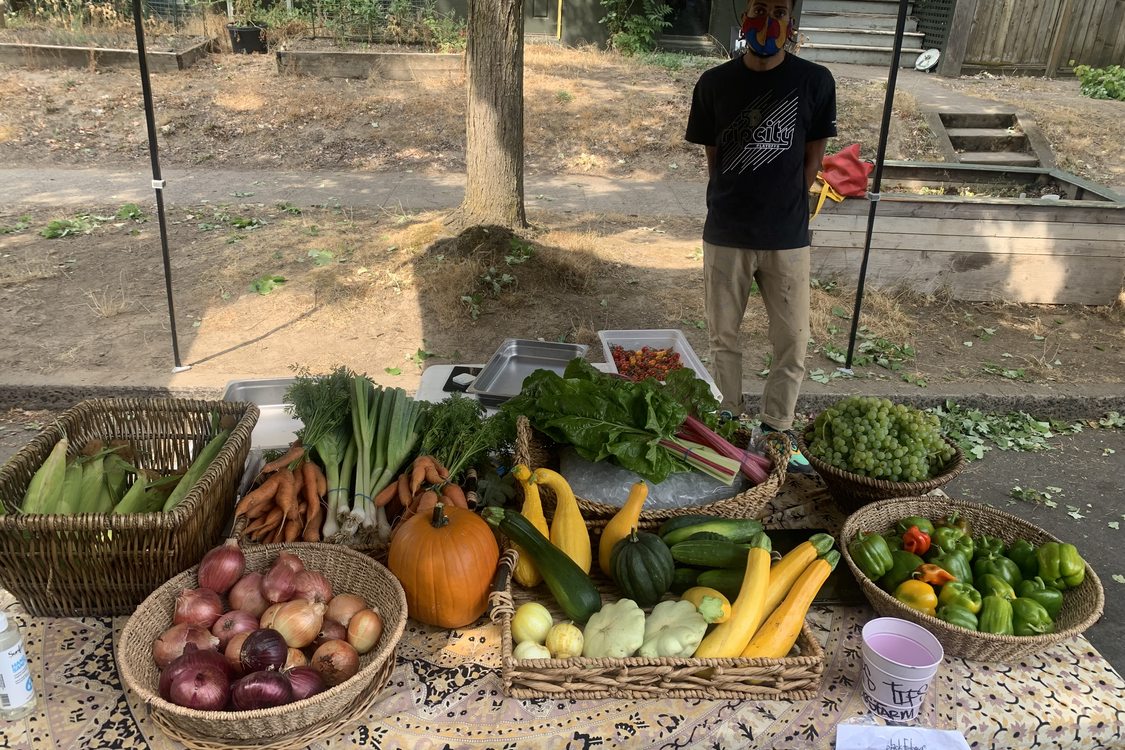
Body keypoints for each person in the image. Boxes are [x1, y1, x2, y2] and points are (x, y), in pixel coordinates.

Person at [685, 0, 837, 472]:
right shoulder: (714, 84)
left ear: (791, 23)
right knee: (723, 337)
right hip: (727, 232)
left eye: (777, 11)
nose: (767, 21)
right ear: (743, 16)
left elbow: (815, 154)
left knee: (793, 339)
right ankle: (726, 425)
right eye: (757, 8)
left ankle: (776, 429)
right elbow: (714, 157)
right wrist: (732, 197)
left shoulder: (814, 81)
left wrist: (789, 196)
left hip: (787, 236)